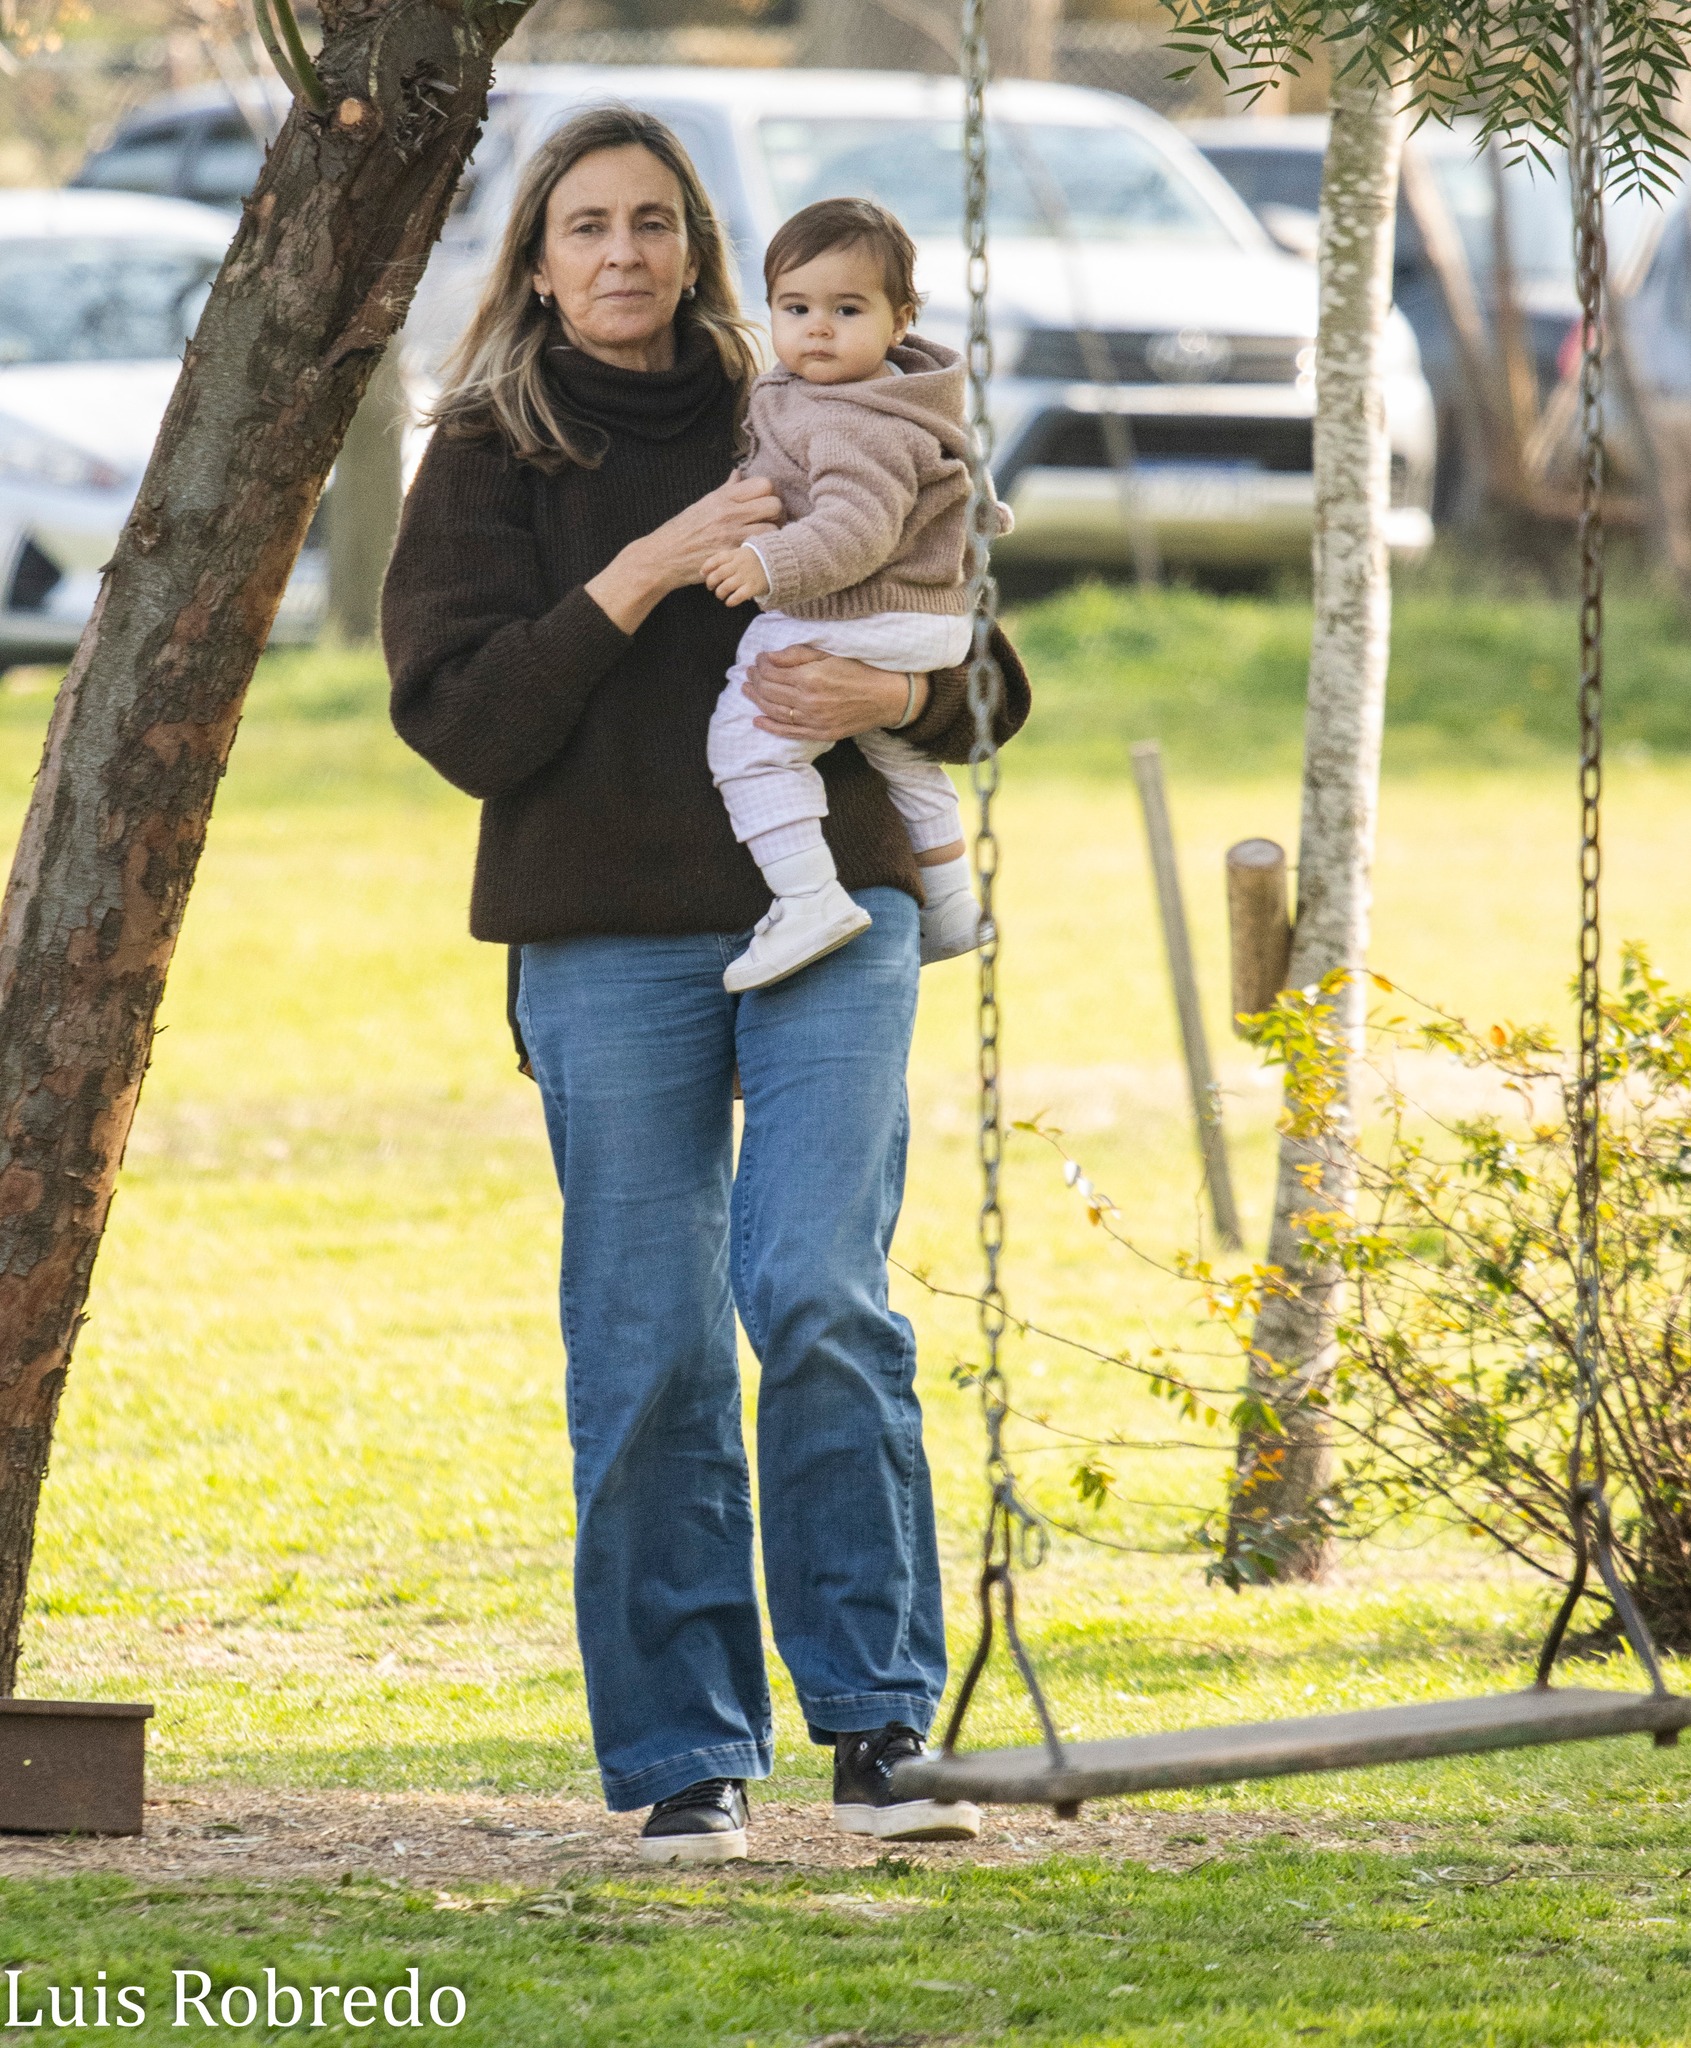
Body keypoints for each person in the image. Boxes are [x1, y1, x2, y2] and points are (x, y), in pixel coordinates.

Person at [383, 105, 1029, 1866]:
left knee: (818, 1285)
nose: (621, 252)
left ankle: (885, 1726)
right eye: (584, 223)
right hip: (603, 936)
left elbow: (988, 678)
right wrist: (642, 572)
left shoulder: (816, 392)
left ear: (698, 247)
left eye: (653, 220)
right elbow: (458, 719)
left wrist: (889, 706)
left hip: (833, 910)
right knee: (651, 1338)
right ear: (535, 256)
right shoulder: (486, 447)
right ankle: (686, 1750)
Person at [702, 197, 1011, 992]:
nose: (817, 329)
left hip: (857, 615)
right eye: (795, 308)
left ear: (900, 319)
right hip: (923, 625)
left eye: (847, 309)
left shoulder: (851, 419)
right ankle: (949, 908)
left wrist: (768, 564)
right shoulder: (877, 400)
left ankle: (806, 899)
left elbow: (855, 531)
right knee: (898, 759)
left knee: (747, 744)